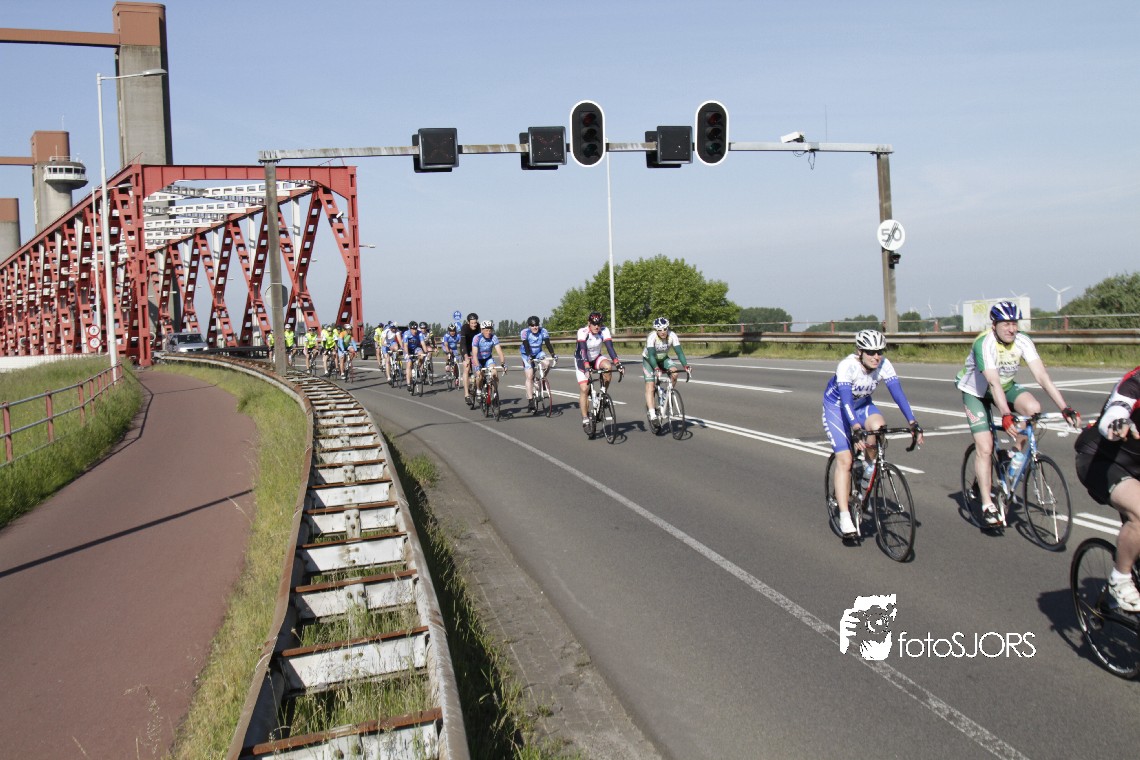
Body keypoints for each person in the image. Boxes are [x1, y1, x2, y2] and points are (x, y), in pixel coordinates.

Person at [956, 300, 1080, 526]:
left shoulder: (1022, 340)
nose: (1011, 329)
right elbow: (992, 382)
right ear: (994, 325)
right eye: (1006, 324)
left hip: (1005, 387)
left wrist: (1065, 407)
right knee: (985, 447)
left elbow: (1042, 377)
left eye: (1014, 323)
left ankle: (1012, 454)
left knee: (1033, 409)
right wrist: (1005, 414)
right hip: (977, 392)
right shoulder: (984, 343)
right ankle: (987, 504)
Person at [822, 329, 923, 538]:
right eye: (871, 352)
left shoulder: (884, 364)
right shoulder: (847, 366)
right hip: (837, 408)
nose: (876, 356)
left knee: (879, 426)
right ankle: (845, 516)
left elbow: (898, 394)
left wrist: (912, 422)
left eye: (880, 351)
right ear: (860, 352)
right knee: (845, 460)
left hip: (861, 405)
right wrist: (856, 429)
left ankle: (868, 470)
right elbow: (846, 401)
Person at [1074, 367, 1140, 611]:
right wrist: (1118, 422)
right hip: (1102, 460)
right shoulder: (1135, 382)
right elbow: (1117, 408)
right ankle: (1119, 579)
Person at [575, 311, 622, 431]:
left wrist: (617, 363)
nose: (596, 326)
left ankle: (603, 394)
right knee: (584, 389)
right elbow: (583, 350)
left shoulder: (604, 331)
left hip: (596, 358)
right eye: (594, 324)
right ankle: (585, 419)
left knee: (608, 367)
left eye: (599, 324)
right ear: (589, 323)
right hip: (582, 360)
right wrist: (586, 366)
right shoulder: (582, 332)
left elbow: (610, 348)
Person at [642, 317, 690, 425]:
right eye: (660, 330)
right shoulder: (652, 337)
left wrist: (685, 365)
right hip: (649, 360)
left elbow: (679, 353)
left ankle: (666, 393)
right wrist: (656, 368)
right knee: (650, 385)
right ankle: (652, 414)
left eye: (665, 329)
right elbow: (651, 356)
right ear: (656, 330)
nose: (663, 332)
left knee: (675, 373)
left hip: (663, 358)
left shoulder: (672, 335)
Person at [520, 315, 557, 412]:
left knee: (547, 363)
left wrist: (553, 354)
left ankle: (542, 379)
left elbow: (548, 343)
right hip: (526, 354)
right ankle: (530, 401)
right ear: (529, 326)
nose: (535, 327)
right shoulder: (525, 332)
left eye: (536, 325)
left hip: (538, 352)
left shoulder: (543, 331)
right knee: (529, 376)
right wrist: (529, 356)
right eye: (532, 326)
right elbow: (526, 345)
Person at [471, 319, 507, 400]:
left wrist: (503, 363)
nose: (488, 332)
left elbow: (500, 352)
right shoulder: (477, 338)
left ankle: (494, 393)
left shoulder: (493, 337)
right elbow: (474, 354)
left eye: (490, 330)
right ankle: (478, 390)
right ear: (482, 330)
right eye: (486, 330)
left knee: (494, 373)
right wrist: (477, 367)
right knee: (480, 376)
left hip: (488, 358)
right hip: (478, 359)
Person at [402, 320, 431, 391]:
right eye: (413, 329)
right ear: (410, 329)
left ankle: (418, 368)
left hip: (416, 348)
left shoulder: (419, 333)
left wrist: (425, 352)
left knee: (422, 355)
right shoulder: (406, 334)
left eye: (415, 329)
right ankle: (408, 384)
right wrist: (407, 354)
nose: (415, 331)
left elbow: (423, 343)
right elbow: (405, 345)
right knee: (409, 364)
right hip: (407, 349)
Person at [459, 312, 481, 406]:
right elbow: (463, 343)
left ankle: (480, 388)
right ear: (468, 322)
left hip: (476, 348)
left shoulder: (479, 327)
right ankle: (466, 394)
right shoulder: (464, 328)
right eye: (472, 323)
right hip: (466, 349)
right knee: (467, 368)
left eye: (475, 323)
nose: (474, 325)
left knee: (480, 368)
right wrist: (465, 357)